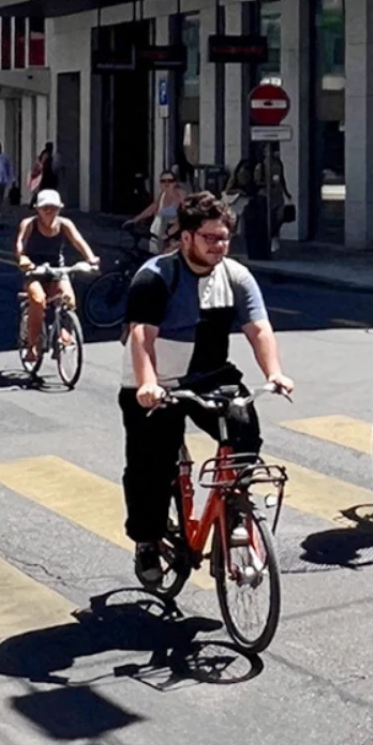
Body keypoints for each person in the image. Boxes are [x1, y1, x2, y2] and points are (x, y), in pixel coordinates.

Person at [120, 193, 294, 591]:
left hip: (209, 374)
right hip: (158, 379)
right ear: (186, 238)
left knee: (244, 429)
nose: (219, 245)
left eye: (224, 237)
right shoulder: (155, 276)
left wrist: (275, 373)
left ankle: (233, 513)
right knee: (151, 467)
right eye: (210, 238)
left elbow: (258, 328)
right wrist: (148, 383)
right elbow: (142, 335)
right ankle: (147, 541)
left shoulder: (235, 276)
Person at [14, 190, 99, 363]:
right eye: (45, 207)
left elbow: (79, 241)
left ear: (59, 208)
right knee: (38, 300)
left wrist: (91, 258)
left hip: (56, 269)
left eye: (53, 207)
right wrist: (23, 258)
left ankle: (64, 335)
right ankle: (32, 345)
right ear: (37, 208)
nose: (49, 211)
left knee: (68, 299)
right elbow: (20, 244)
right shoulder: (29, 224)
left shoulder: (64, 224)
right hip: (34, 270)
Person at [127, 167, 186, 256]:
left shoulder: (181, 196)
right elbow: (153, 208)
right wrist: (136, 219)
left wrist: (168, 234)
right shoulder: (162, 194)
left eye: (170, 181)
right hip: (156, 234)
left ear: (175, 183)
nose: (166, 184)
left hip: (171, 237)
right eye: (163, 181)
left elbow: (184, 219)